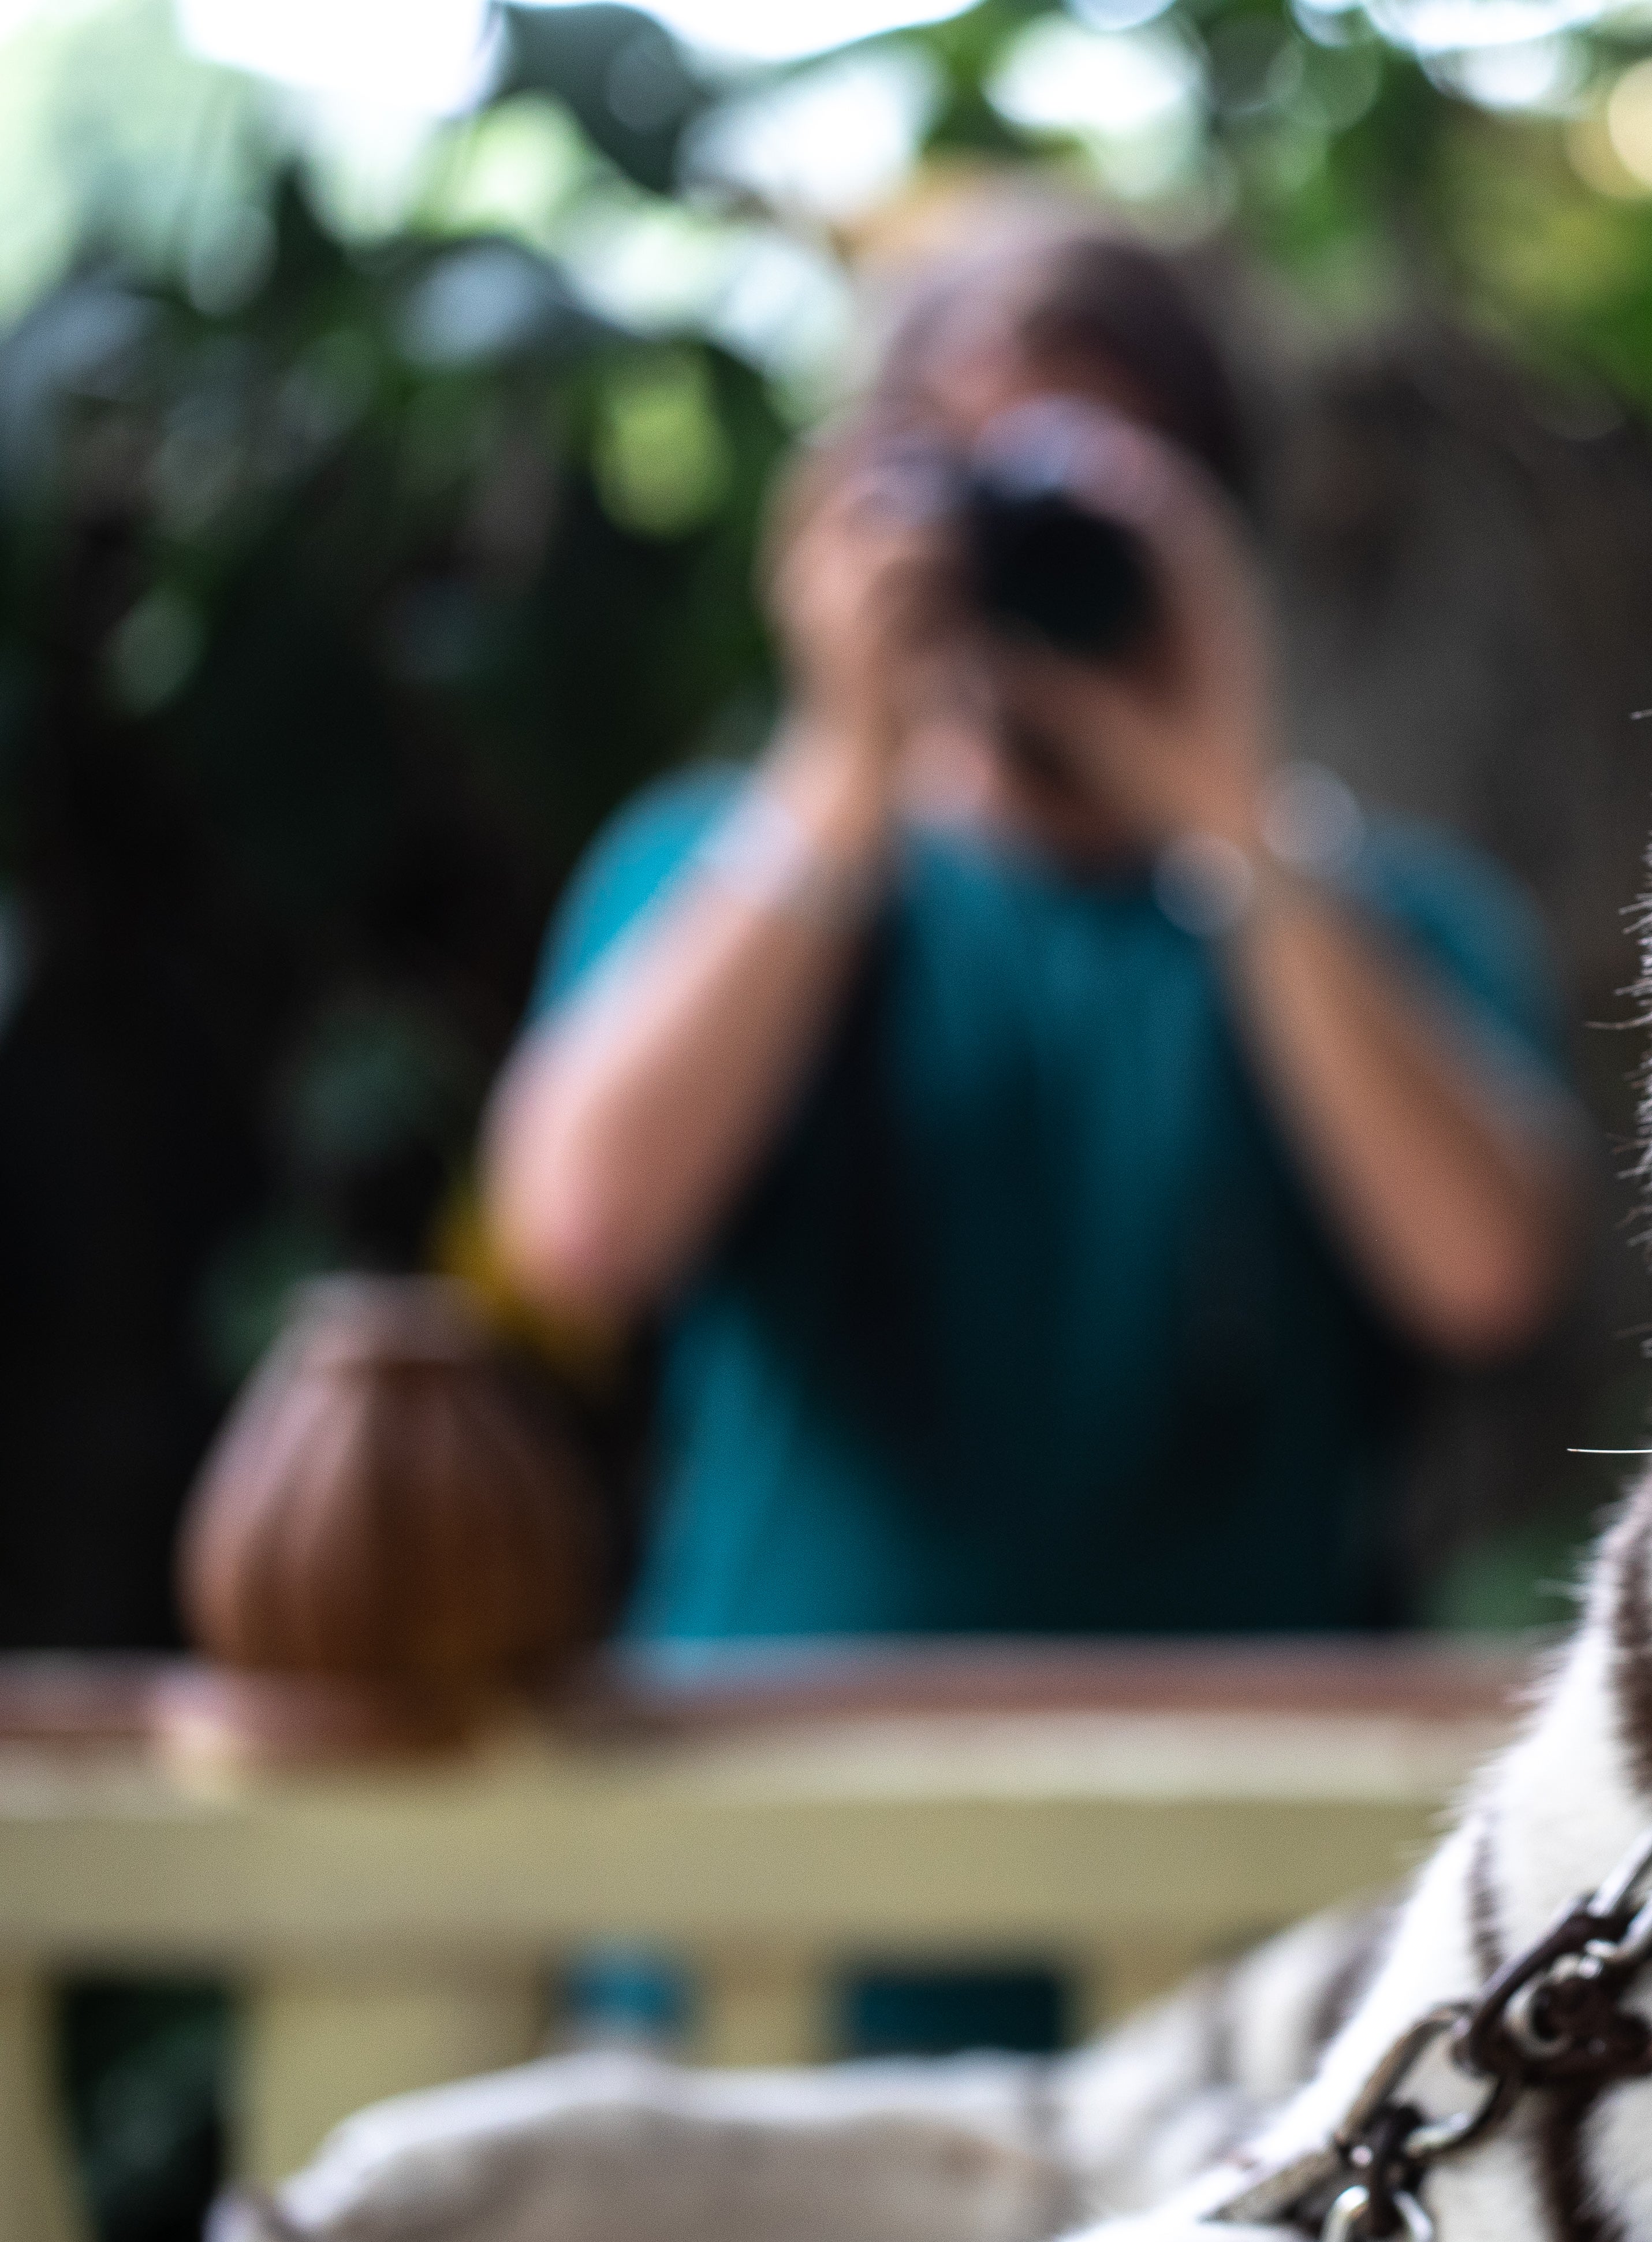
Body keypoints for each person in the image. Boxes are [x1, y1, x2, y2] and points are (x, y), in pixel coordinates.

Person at [483, 222, 1581, 1640]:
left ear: (1221, 538)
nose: (1020, 561)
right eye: (973, 489)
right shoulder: (719, 864)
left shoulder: (1387, 918)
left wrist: (1232, 818)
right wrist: (841, 763)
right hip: (771, 1788)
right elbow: (579, 1237)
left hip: (1235, 1797)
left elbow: (1485, 1276)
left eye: (1098, 498)